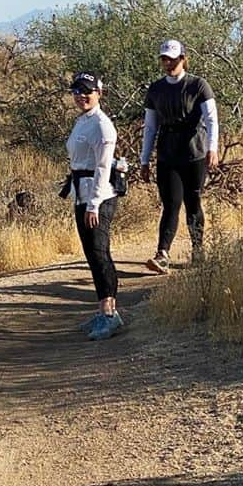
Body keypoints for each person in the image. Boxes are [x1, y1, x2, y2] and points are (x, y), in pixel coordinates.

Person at [139, 40, 219, 274]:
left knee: (193, 201)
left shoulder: (198, 85)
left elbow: (212, 120)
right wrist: (145, 159)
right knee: (171, 203)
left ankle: (198, 249)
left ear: (183, 58)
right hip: (168, 153)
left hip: (194, 151)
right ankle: (162, 253)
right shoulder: (156, 89)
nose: (168, 63)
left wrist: (212, 148)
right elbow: (150, 126)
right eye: (164, 59)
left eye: (172, 59)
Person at [64, 71, 122, 340]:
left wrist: (94, 204)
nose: (81, 95)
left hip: (96, 197)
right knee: (91, 254)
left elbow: (102, 167)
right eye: (77, 91)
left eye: (87, 91)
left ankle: (110, 314)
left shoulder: (102, 125)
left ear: (99, 92)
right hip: (82, 194)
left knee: (100, 253)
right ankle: (102, 311)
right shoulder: (82, 122)